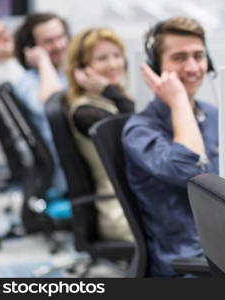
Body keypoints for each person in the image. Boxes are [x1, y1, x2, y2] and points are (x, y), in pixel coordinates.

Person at [122, 16, 219, 277]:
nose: (192, 67)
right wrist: (178, 101)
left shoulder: (213, 115)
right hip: (187, 261)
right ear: (155, 67)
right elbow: (191, 171)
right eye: (179, 58)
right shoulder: (139, 131)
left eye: (198, 56)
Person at [66, 28, 134, 241]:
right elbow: (140, 134)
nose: (114, 64)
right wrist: (110, 91)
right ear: (82, 69)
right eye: (102, 58)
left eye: (117, 55)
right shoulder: (86, 113)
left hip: (134, 204)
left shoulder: (110, 102)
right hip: (121, 212)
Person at [13, 13, 70, 197]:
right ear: (32, 48)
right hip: (69, 174)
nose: (59, 45)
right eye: (49, 41)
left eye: (61, 37)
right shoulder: (26, 81)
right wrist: (43, 61)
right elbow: (51, 105)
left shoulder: (64, 74)